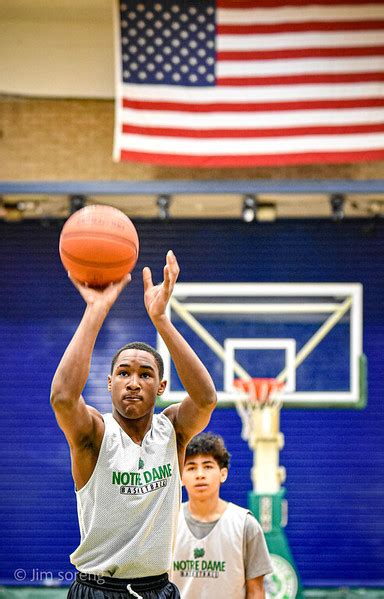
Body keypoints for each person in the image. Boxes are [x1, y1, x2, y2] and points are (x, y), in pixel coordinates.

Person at [50, 250, 217, 599]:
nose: (133, 381)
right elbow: (63, 398)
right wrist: (95, 310)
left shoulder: (172, 429)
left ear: (161, 387)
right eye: (124, 373)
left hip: (159, 588)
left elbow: (205, 399)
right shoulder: (94, 434)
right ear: (109, 382)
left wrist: (161, 320)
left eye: (145, 374)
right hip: (97, 589)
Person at [171, 432, 273, 599]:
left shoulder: (246, 525)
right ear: (180, 476)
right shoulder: (168, 523)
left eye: (208, 466)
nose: (200, 474)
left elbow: (256, 590)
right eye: (191, 468)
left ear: (223, 474)